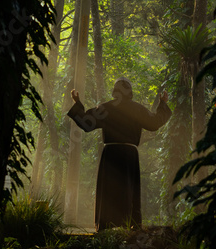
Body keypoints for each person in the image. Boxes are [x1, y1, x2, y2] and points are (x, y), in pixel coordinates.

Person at [68, 77, 172, 231]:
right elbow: (154, 123)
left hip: (111, 154)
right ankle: (131, 226)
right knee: (128, 190)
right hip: (129, 155)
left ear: (114, 92)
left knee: (108, 191)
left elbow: (85, 123)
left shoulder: (106, 108)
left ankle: (105, 227)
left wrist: (77, 103)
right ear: (130, 92)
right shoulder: (137, 109)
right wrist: (162, 104)